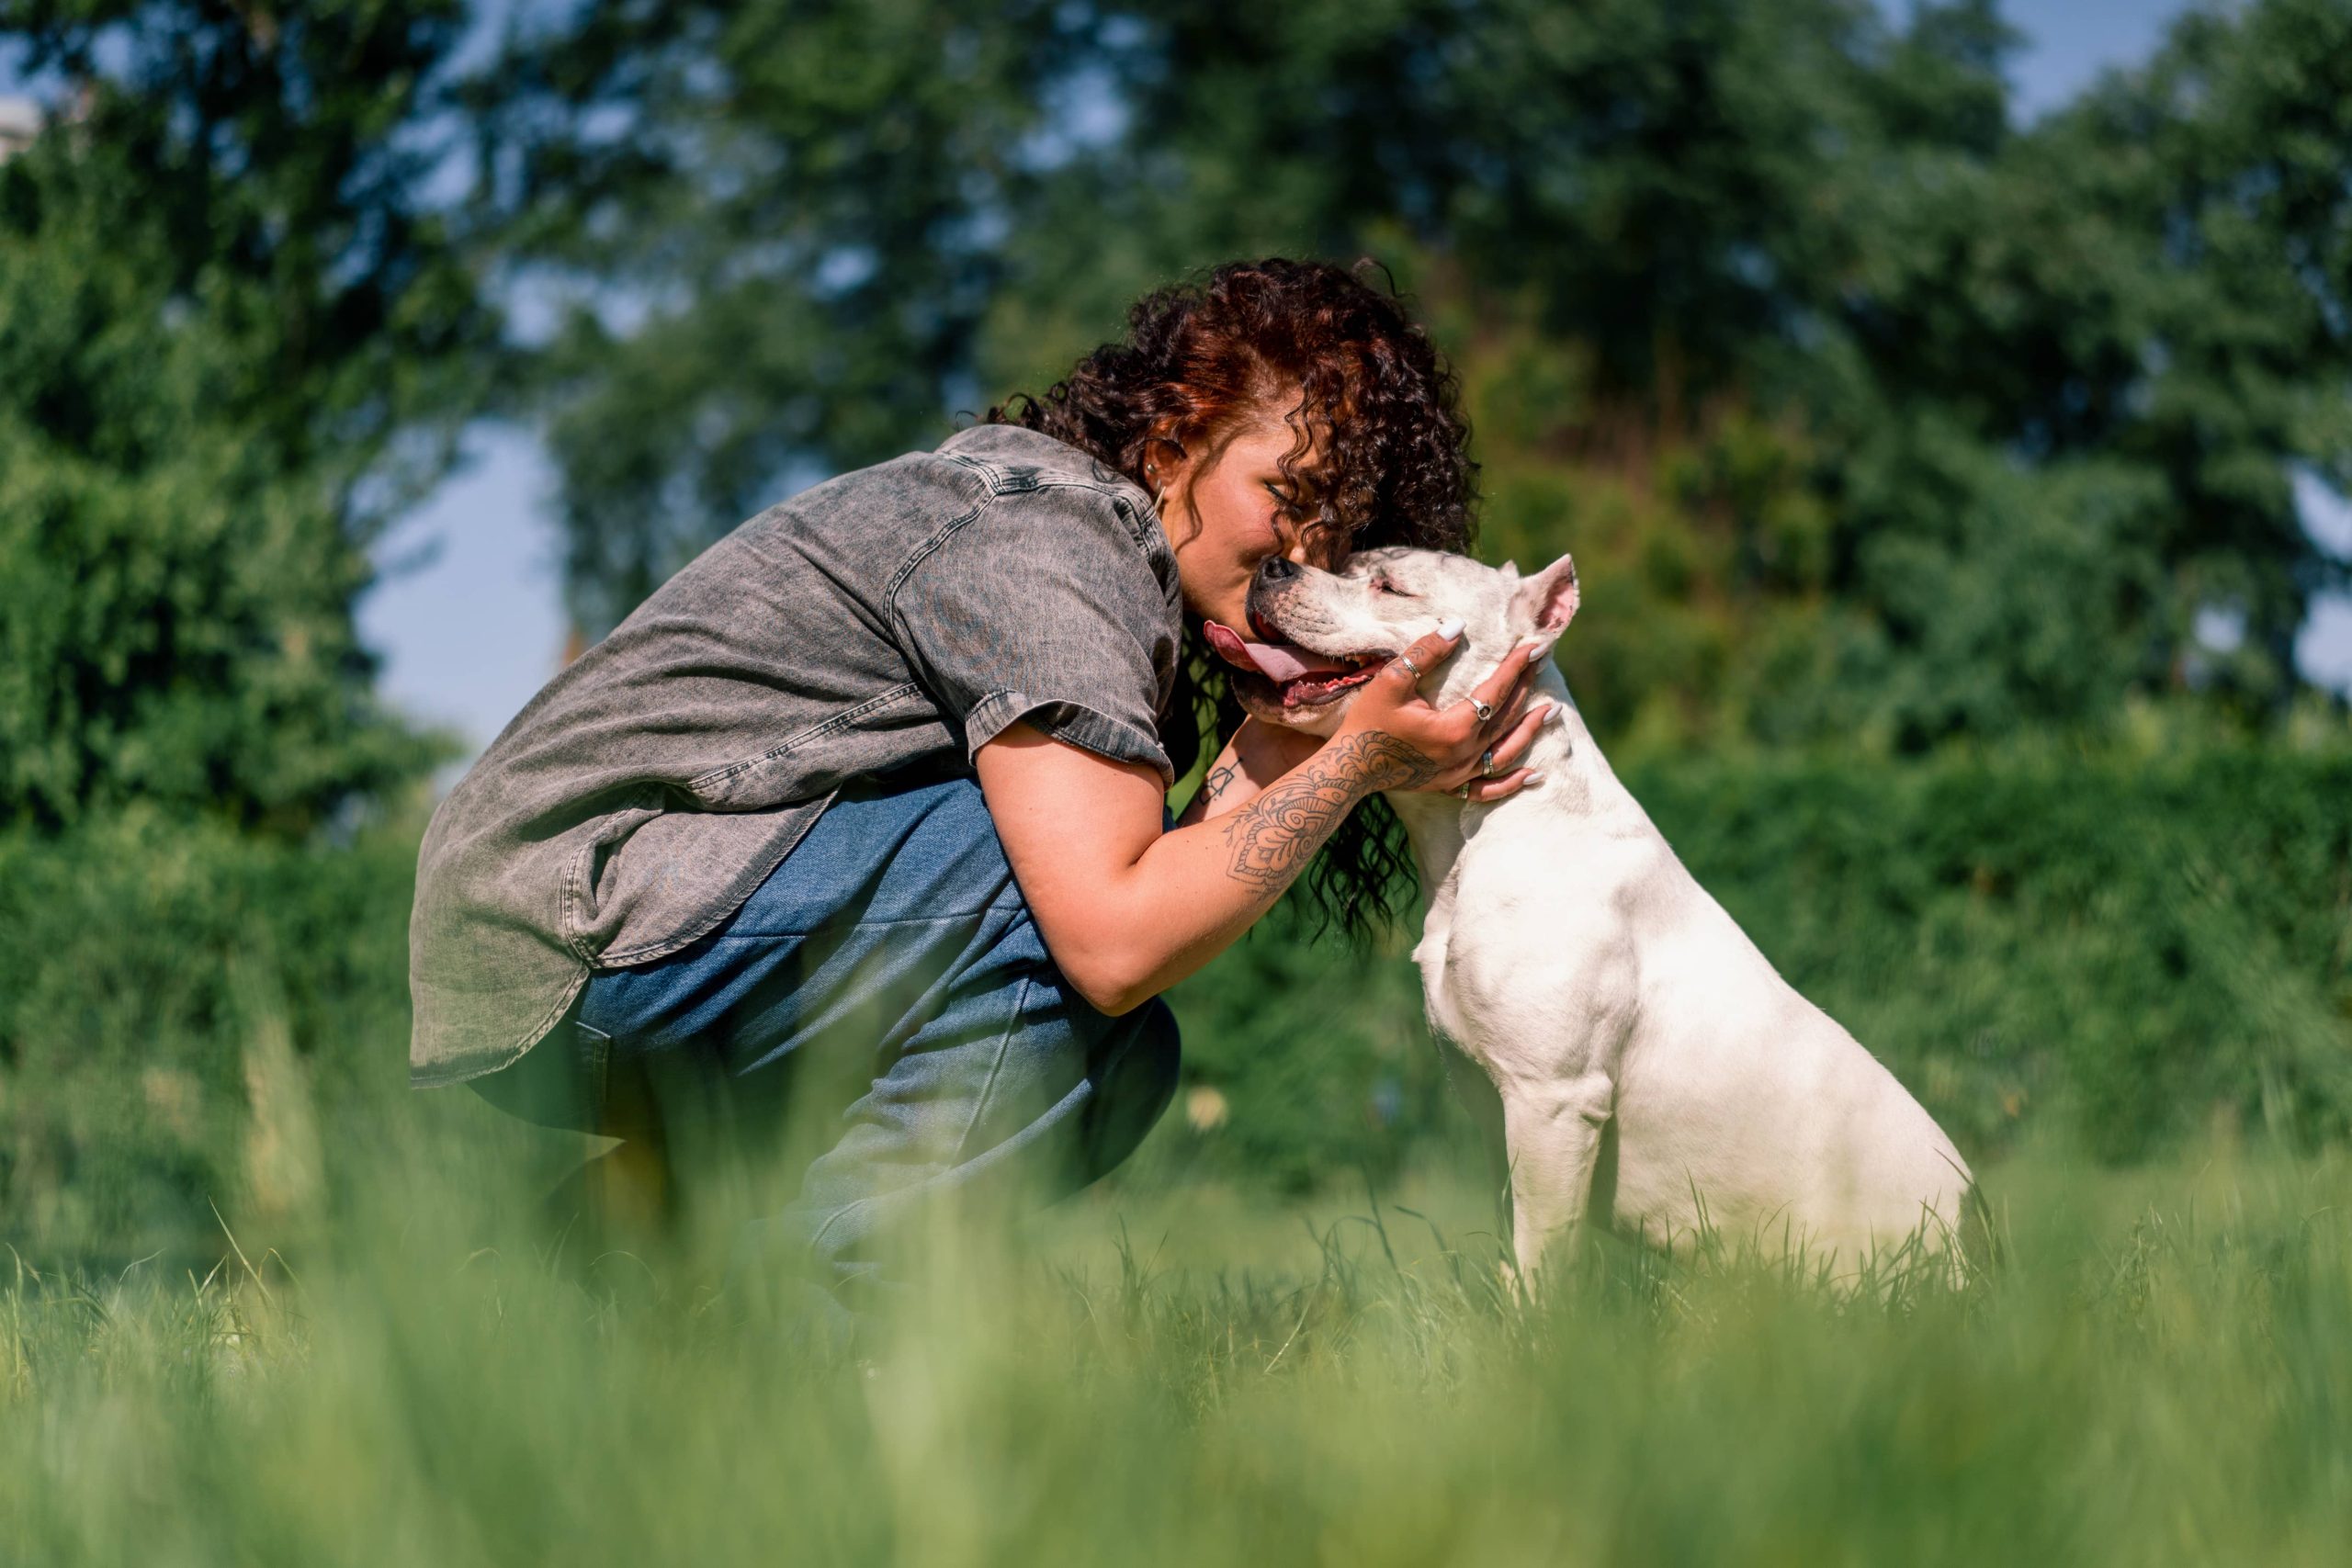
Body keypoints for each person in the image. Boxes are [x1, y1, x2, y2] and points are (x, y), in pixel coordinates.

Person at [407, 257, 1552, 1314]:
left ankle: (557, 1283)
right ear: (1170, 440)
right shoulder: (1052, 539)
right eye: (1283, 491)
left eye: (1335, 522)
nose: (1303, 544)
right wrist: (1361, 757)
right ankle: (799, 1329)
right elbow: (1109, 935)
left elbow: (1135, 935)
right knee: (1052, 914)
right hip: (573, 926)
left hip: (596, 950)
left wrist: (1317, 725)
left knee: (1110, 1061)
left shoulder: (1114, 579)